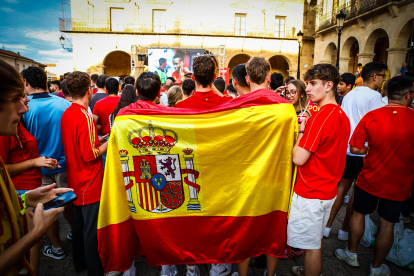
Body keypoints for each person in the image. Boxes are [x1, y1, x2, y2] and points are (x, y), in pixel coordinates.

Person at [335, 75, 414, 276]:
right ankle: (376, 268)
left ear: (386, 94)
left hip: (370, 177)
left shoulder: (372, 116)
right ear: (407, 95)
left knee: (359, 214)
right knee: (387, 223)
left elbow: (355, 147)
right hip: (400, 182)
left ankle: (351, 253)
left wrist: (369, 149)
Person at [0, 59, 71, 276]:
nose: (24, 107)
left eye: (24, 97)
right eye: (16, 99)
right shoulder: (64, 105)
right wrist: (36, 233)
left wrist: (24, 200)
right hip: (56, 166)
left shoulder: (19, 122)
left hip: (38, 177)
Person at [288, 64, 350, 276]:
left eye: (313, 84)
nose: (308, 89)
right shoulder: (341, 114)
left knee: (311, 246)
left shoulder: (322, 117)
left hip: (311, 192)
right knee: (315, 241)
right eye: (307, 84)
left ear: (329, 85)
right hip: (327, 190)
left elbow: (298, 158)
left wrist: (302, 130)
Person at [174, 56, 231, 276]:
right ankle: (217, 264)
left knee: (192, 220)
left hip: (191, 171)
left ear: (194, 77)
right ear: (215, 76)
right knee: (218, 219)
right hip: (219, 172)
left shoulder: (180, 107)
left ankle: (191, 266)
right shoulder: (228, 105)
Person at [232, 57, 286, 276]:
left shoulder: (236, 107)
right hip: (275, 177)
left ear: (246, 78)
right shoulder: (285, 108)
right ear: (269, 77)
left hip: (245, 177)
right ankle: (270, 274)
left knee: (245, 229)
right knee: (274, 227)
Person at [324, 62, 385, 241]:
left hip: (346, 148)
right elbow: (376, 125)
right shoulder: (374, 96)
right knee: (356, 192)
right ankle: (344, 230)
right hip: (361, 150)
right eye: (382, 75)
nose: (382, 79)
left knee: (341, 189)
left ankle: (327, 227)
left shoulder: (350, 95)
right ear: (375, 76)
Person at [21, 66, 71, 260]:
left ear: (26, 82)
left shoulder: (24, 107)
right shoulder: (63, 104)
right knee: (69, 203)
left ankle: (57, 248)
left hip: (38, 168)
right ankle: (76, 233)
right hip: (64, 164)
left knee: (46, 209)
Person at [62, 71, 108, 276]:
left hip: (75, 178)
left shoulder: (67, 113)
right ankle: (95, 269)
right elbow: (90, 155)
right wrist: (108, 141)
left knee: (79, 227)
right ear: (89, 91)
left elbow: (79, 144)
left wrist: (99, 138)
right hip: (89, 181)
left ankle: (79, 263)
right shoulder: (85, 116)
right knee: (92, 230)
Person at [0, 119, 59, 275]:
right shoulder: (4, 131)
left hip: (30, 189)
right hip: (21, 188)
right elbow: (3, 169)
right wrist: (34, 162)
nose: (26, 99)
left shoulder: (16, 124)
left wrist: (42, 161)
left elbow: (22, 155)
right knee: (33, 242)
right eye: (17, 98)